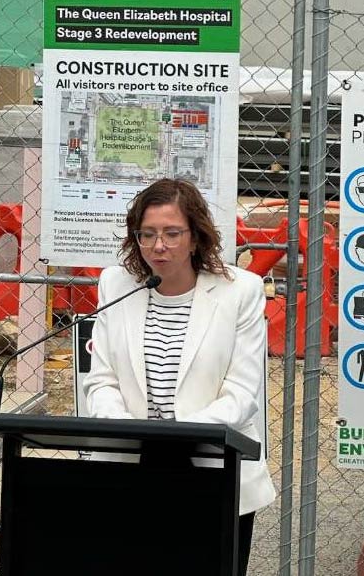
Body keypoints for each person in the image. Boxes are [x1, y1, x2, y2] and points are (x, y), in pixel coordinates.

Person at [83, 178, 276, 575]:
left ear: (195, 237)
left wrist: (174, 436)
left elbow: (242, 393)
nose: (159, 246)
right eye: (148, 234)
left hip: (213, 472)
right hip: (130, 467)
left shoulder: (240, 291)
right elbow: (100, 383)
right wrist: (133, 434)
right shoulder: (116, 284)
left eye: (172, 233)